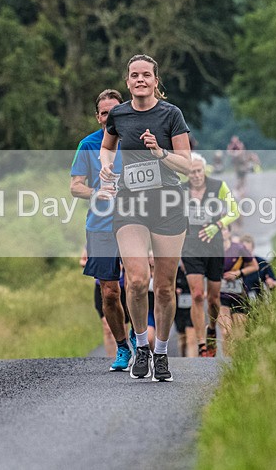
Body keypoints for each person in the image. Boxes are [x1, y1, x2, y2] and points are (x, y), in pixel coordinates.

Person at [100, 54, 191, 382]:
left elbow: (188, 164)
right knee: (137, 280)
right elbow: (107, 146)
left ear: (155, 81)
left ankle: (162, 353)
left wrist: (160, 153)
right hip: (130, 206)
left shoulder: (171, 115)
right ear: (127, 82)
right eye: (134, 75)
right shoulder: (119, 114)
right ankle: (141, 346)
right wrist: (106, 165)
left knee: (164, 288)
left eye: (146, 75)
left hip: (167, 205)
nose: (140, 80)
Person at [71, 89, 135, 372]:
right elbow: (75, 186)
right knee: (109, 292)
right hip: (100, 227)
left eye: (115, 111)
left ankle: (140, 337)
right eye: (105, 112)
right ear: (98, 117)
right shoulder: (88, 145)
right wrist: (97, 193)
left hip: (136, 223)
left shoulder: (135, 142)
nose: (111, 116)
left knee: (137, 284)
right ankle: (123, 347)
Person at [181, 152, 239, 357]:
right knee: (197, 295)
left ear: (204, 170)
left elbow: (235, 211)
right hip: (190, 247)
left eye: (198, 171)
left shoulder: (218, 186)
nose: (195, 175)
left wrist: (218, 225)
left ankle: (212, 329)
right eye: (191, 172)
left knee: (214, 299)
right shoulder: (181, 190)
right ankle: (201, 344)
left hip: (214, 247)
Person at [218, 226, 259, 356]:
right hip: (220, 295)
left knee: (239, 334)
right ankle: (227, 361)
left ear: (229, 232)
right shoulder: (211, 249)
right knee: (226, 332)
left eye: (224, 229)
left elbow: (254, 266)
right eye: (219, 230)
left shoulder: (239, 248)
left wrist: (238, 272)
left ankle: (237, 362)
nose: (222, 232)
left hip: (238, 295)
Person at [239, 234, 276, 302]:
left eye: (248, 251)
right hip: (238, 299)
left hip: (257, 299)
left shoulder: (262, 263)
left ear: (253, 248)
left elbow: (274, 283)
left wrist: (271, 283)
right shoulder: (234, 264)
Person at [174, 260, 197, 357]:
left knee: (191, 338)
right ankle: (184, 359)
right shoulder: (176, 272)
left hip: (192, 308)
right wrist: (175, 290)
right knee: (182, 339)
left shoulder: (195, 272)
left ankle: (193, 361)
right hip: (179, 309)